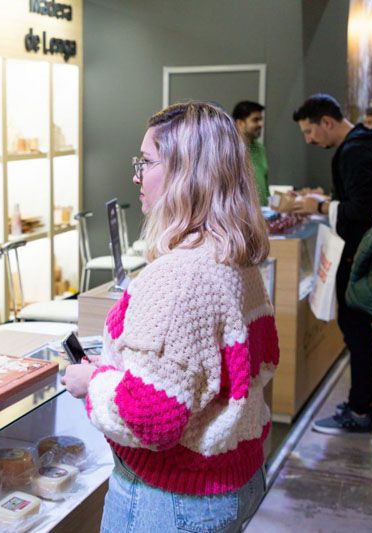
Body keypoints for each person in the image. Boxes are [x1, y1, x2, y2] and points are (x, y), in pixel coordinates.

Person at [62, 102, 278, 532]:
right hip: (234, 481)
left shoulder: (178, 276)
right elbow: (257, 361)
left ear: (186, 173)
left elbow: (151, 417)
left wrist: (92, 383)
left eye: (146, 162)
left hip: (170, 500)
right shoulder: (235, 259)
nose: (136, 176)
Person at [291, 93, 372, 433]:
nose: (309, 140)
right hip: (360, 257)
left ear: (326, 122)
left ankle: (360, 410)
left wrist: (321, 207)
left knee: (356, 333)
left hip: (358, 259)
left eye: (309, 132)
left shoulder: (355, 150)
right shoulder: (362, 142)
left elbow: (362, 209)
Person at [232, 100, 270, 205]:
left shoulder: (260, 148)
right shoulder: (228, 150)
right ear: (240, 123)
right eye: (255, 120)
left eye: (261, 120)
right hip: (240, 213)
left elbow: (265, 189)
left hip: (263, 212)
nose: (260, 124)